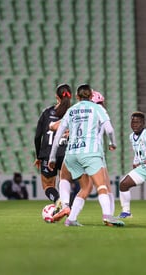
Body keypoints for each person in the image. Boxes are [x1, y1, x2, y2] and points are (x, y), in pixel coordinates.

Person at [48, 84, 124, 227]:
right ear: (90, 96)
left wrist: (52, 158)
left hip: (72, 153)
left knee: (67, 179)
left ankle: (69, 214)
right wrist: (113, 143)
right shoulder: (97, 108)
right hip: (90, 153)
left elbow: (58, 134)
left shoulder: (71, 110)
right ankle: (107, 216)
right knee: (101, 186)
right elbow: (110, 129)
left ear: (77, 96)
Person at [34, 84, 72, 217]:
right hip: (66, 154)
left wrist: (39, 156)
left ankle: (58, 201)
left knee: (48, 185)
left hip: (48, 153)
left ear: (56, 96)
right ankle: (68, 209)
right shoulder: (73, 112)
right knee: (65, 184)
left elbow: (38, 136)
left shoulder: (47, 112)